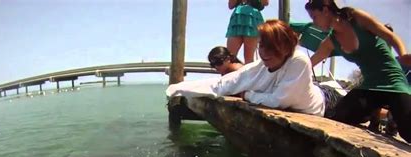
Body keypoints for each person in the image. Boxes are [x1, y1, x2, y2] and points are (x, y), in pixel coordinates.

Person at [167, 20, 325, 116]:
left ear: (286, 47)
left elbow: (278, 101)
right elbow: (224, 84)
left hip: (320, 106)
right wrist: (178, 88)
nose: (264, 53)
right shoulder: (260, 65)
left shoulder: (299, 60)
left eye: (271, 47)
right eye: (261, 46)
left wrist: (248, 95)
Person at [305, 0, 411, 142]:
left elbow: (390, 36)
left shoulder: (356, 18)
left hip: (394, 82)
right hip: (370, 86)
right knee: (340, 116)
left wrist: (403, 54)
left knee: (408, 131)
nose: (313, 22)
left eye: (314, 17)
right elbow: (311, 62)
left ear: (325, 9)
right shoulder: (331, 41)